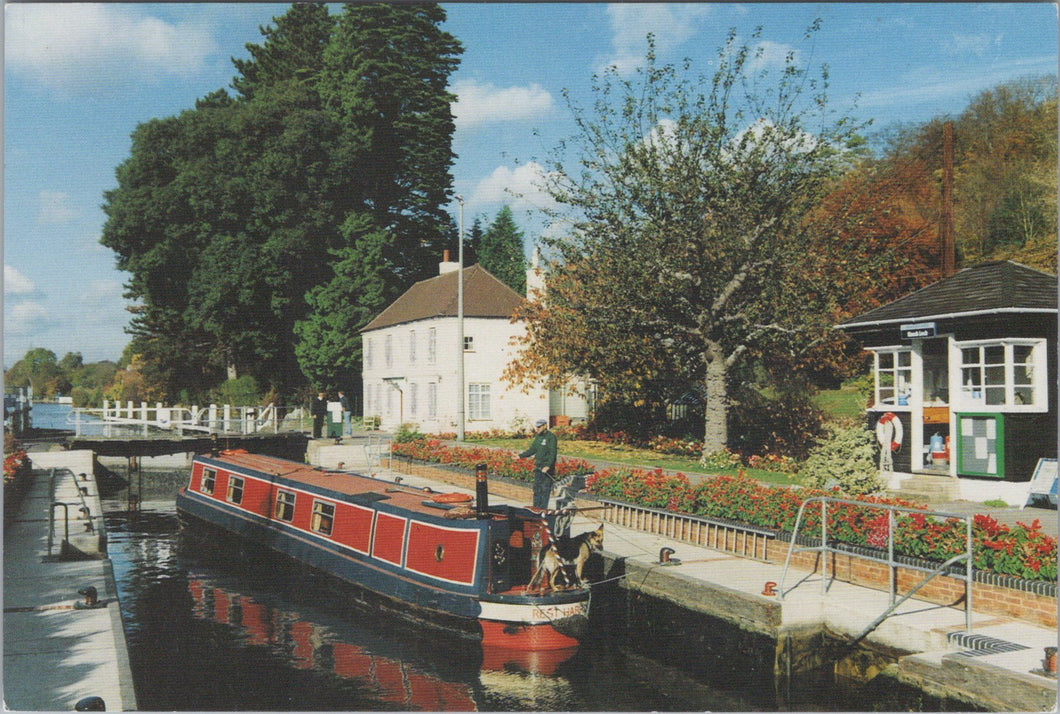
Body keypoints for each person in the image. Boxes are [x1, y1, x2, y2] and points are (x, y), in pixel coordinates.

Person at [520, 418, 557, 510]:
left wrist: (548, 466)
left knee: (545, 489)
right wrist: (520, 456)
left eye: (539, 427)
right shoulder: (538, 437)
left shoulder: (551, 437)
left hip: (546, 468)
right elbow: (532, 449)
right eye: (537, 427)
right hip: (538, 466)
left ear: (545, 426)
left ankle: (542, 508)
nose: (537, 429)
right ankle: (536, 507)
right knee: (537, 488)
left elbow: (553, 453)